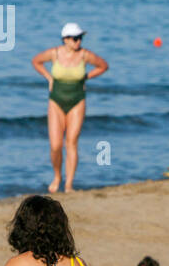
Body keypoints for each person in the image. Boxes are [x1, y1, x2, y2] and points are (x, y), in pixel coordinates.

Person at [30, 22, 109, 194]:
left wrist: (86, 77)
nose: (78, 42)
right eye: (75, 38)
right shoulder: (54, 53)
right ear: (65, 39)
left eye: (80, 38)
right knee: (56, 145)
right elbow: (36, 61)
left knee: (71, 142)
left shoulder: (85, 55)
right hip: (56, 101)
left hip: (77, 101)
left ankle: (69, 184)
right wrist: (49, 78)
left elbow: (103, 66)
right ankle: (57, 176)